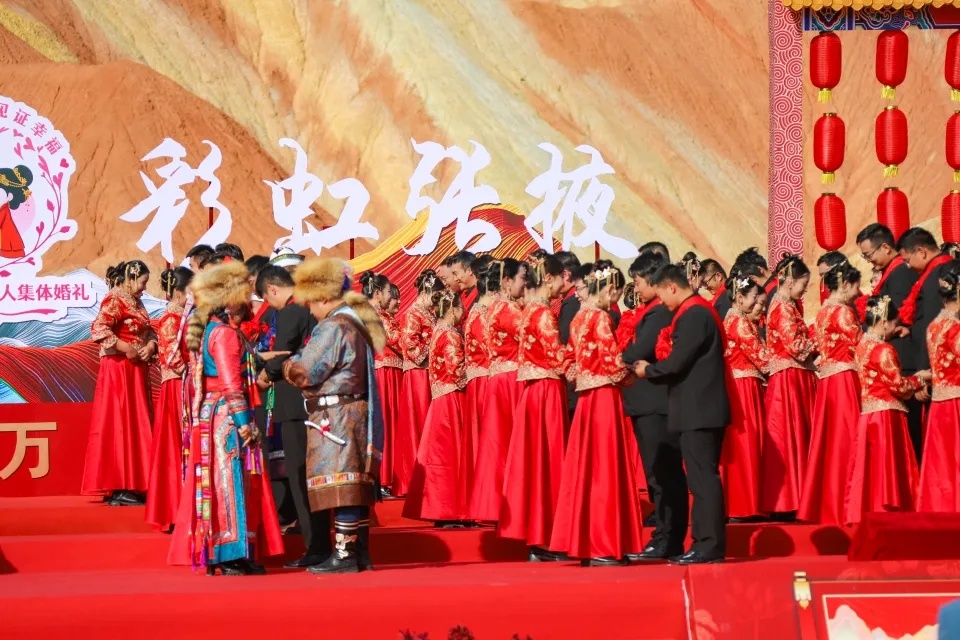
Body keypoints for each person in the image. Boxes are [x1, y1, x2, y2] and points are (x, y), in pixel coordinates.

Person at [169, 261, 284, 575]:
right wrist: (245, 424)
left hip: (215, 413)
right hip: (227, 417)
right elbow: (232, 383)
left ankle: (228, 551)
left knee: (225, 483)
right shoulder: (224, 334)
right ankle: (228, 552)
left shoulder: (212, 329)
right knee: (228, 483)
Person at [282, 257, 386, 574]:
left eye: (311, 302)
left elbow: (306, 370)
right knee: (353, 482)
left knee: (342, 482)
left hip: (337, 416)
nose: (310, 309)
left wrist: (286, 366)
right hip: (352, 412)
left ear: (324, 297)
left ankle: (345, 554)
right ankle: (357, 552)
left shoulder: (333, 327)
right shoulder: (355, 322)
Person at [632, 263, 730, 565]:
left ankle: (708, 545)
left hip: (700, 409)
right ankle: (703, 543)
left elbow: (677, 361)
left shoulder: (694, 314)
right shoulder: (694, 311)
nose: (662, 301)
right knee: (700, 479)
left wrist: (648, 370)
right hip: (697, 408)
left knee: (703, 479)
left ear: (671, 287)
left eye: (662, 294)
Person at [549, 265, 642, 566]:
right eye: (615, 293)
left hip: (586, 398)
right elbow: (612, 363)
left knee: (587, 469)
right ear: (609, 288)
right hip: (604, 398)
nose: (615, 299)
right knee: (605, 468)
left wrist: (581, 376)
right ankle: (604, 544)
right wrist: (632, 375)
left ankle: (588, 543)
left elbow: (567, 359)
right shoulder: (601, 318)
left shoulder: (578, 317)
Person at [499, 254, 572, 560]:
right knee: (549, 463)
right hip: (547, 393)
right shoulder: (542, 313)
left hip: (534, 393)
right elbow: (558, 357)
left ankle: (540, 536)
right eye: (560, 280)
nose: (562, 287)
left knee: (537, 465)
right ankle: (547, 539)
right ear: (549, 278)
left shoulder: (529, 310)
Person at [255, 265, 326, 569]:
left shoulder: (290, 311)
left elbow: (282, 353)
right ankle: (318, 542)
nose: (269, 305)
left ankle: (316, 546)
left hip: (295, 405)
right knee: (308, 475)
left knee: (300, 477)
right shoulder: (308, 307)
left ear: (272, 289)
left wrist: (263, 376)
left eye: (266, 298)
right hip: (309, 402)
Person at [845, 296, 929, 525]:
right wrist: (919, 379)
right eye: (893, 323)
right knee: (888, 467)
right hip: (886, 416)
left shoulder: (862, 346)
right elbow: (899, 386)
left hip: (869, 415)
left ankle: (870, 510)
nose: (895, 328)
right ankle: (889, 512)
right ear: (883, 322)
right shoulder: (883, 350)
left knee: (871, 468)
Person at [82, 261, 157, 506]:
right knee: (119, 423)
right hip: (119, 370)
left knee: (135, 424)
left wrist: (150, 346)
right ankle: (119, 486)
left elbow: (149, 331)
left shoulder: (136, 301)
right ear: (131, 278)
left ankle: (134, 482)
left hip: (135, 370)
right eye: (143, 282)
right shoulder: (115, 299)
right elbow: (99, 328)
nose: (144, 288)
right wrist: (126, 348)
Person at [798, 261, 862, 526]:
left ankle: (830, 504)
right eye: (855, 287)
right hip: (845, 380)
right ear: (845, 285)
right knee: (848, 439)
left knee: (831, 443)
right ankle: (849, 504)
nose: (858, 293)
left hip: (828, 381)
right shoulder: (843, 313)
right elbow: (860, 345)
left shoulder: (823, 312)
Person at [469, 258, 527, 522]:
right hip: (511, 381)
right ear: (506, 281)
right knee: (511, 443)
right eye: (522, 279)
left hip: (499, 380)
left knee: (498, 444)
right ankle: (515, 504)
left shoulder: (493, 308)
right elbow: (533, 335)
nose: (525, 285)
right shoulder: (508, 309)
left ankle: (500, 505)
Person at [403, 291, 468, 524]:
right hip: (452, 400)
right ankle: (452, 509)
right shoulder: (450, 334)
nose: (463, 313)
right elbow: (456, 370)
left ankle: (441, 509)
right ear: (453, 310)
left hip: (440, 401)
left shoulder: (438, 331)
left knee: (439, 457)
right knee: (452, 456)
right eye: (461, 308)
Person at [760, 255, 816, 519]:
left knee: (795, 437)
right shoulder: (782, 306)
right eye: (803, 284)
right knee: (788, 438)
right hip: (788, 380)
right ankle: (788, 501)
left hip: (795, 377)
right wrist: (823, 337)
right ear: (791, 281)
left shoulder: (787, 305)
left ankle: (798, 498)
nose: (804, 290)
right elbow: (796, 346)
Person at [857, 223, 921, 456]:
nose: (868, 261)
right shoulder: (890, 273)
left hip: (903, 359)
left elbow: (900, 314)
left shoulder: (901, 273)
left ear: (885, 247)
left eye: (869, 255)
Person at [622, 252, 673, 538]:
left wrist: (610, 360)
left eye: (639, 282)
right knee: (655, 468)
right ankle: (663, 528)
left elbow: (640, 350)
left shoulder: (658, 312)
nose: (637, 288)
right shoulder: (650, 310)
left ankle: (666, 531)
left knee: (659, 469)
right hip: (646, 400)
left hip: (653, 400)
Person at [897, 227, 952, 463]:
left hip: (939, 369)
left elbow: (931, 329)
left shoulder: (936, 276)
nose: (907, 266)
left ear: (921, 251)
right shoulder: (940, 271)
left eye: (907, 260)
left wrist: (923, 374)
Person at [146, 266, 194, 531]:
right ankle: (177, 510)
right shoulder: (171, 319)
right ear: (177, 293)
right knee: (178, 447)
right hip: (178, 387)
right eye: (190, 291)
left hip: (185, 385)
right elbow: (171, 358)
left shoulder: (183, 316)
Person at [720, 276, 768, 522]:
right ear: (739, 298)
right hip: (744, 388)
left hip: (744, 385)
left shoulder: (737, 320)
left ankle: (745, 503)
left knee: (744, 444)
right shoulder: (739, 323)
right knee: (747, 444)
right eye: (754, 297)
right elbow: (763, 358)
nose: (758, 303)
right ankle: (745, 504)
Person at [394, 269, 442, 496]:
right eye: (435, 296)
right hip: (418, 376)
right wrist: (436, 343)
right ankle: (415, 480)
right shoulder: (412, 314)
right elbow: (411, 349)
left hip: (429, 374)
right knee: (419, 425)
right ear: (426, 291)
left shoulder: (429, 314)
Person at [918, 261, 960, 512]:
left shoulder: (934, 325)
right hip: (956, 404)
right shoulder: (955, 327)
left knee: (942, 463)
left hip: (940, 405)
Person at [361, 271, 401, 498]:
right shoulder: (378, 317)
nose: (390, 296)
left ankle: (384, 477)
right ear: (377, 293)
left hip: (385, 372)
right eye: (387, 291)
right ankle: (383, 477)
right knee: (384, 423)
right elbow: (399, 341)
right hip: (383, 374)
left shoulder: (371, 313)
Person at [461, 255, 495, 512]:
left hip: (481, 381)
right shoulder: (481, 313)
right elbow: (492, 350)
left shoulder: (477, 311)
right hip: (485, 381)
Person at [556, 251, 582, 421]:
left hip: (574, 379)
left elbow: (565, 340)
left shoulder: (573, 302)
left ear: (565, 275)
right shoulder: (573, 300)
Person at [449, 250, 480, 315]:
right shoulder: (463, 294)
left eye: (456, 274)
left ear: (469, 270)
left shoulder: (480, 295)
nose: (455, 279)